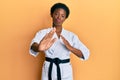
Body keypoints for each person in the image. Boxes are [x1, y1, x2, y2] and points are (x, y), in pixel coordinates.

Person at [29, 2, 90, 80]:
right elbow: (33, 45)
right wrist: (38, 48)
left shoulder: (71, 36)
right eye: (56, 14)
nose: (59, 17)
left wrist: (71, 48)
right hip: (48, 70)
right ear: (51, 14)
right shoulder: (43, 33)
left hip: (65, 71)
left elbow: (85, 54)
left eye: (62, 16)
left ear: (65, 18)